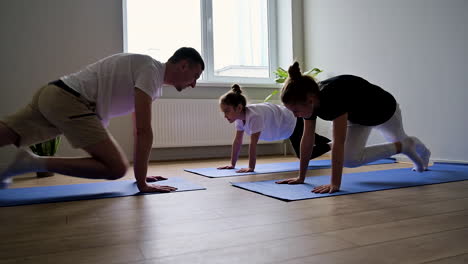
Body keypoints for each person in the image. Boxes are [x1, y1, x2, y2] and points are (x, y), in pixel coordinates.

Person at [0, 47, 205, 192]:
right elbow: (143, 131)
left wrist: (141, 177)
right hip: (70, 100)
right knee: (116, 167)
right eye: (195, 75)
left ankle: (29, 162)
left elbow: (139, 129)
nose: (194, 84)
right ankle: (32, 162)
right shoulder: (151, 70)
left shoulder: (151, 76)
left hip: (53, 94)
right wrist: (142, 184)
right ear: (184, 66)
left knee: (6, 133)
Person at [276, 62, 431, 194]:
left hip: (383, 110)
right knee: (349, 159)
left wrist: (334, 183)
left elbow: (339, 142)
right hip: (357, 117)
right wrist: (301, 177)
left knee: (400, 137)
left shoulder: (332, 97)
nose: (295, 115)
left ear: (309, 100)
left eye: (295, 110)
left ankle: (416, 148)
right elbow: (307, 140)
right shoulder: (310, 103)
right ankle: (402, 146)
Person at [217, 84, 332, 173]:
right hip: (284, 125)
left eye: (227, 111)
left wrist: (251, 167)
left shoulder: (254, 117)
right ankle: (335, 143)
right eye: (223, 112)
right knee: (314, 138)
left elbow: (253, 145)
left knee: (303, 154)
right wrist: (232, 164)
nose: (225, 115)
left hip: (291, 121)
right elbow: (237, 141)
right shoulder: (239, 119)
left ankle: (332, 145)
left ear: (239, 108)